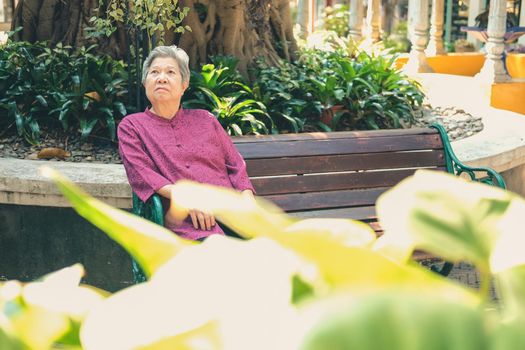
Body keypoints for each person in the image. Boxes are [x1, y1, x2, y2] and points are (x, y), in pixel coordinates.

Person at [117, 45, 255, 241]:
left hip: (232, 213)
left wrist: (248, 204)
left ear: (184, 84)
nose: (161, 78)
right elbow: (143, 173)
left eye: (170, 72)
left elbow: (236, 165)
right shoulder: (132, 127)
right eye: (154, 72)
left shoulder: (206, 120)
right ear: (145, 82)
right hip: (188, 223)